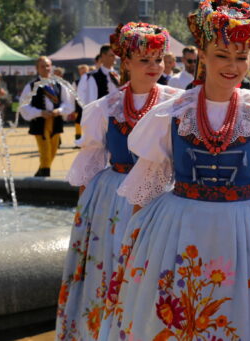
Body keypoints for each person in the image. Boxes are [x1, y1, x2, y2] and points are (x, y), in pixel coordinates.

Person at [98, 0, 250, 340]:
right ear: (203, 56)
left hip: (245, 234)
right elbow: (147, 185)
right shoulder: (173, 111)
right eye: (222, 55)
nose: (233, 66)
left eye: (241, 57)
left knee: (239, 316)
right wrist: (136, 244)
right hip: (179, 229)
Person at [57, 23, 183, 340]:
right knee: (112, 266)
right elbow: (90, 163)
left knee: (156, 269)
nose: (154, 67)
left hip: (160, 195)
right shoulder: (105, 108)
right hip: (114, 196)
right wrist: (85, 221)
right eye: (145, 60)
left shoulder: (177, 104)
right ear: (125, 63)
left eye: (158, 59)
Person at [18, 56, 75, 177]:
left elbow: (68, 102)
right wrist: (40, 112)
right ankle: (44, 179)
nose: (46, 69)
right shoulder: (31, 85)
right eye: (43, 66)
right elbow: (23, 105)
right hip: (40, 123)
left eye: (48, 66)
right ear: (37, 69)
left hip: (56, 122)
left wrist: (59, 110)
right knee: (45, 153)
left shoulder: (59, 84)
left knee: (53, 152)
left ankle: (39, 175)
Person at [73, 65, 90, 141]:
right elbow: (73, 94)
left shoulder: (92, 81)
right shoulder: (76, 82)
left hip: (89, 105)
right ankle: (78, 138)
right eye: (82, 70)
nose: (83, 72)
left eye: (85, 70)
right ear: (79, 72)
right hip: (79, 106)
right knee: (78, 123)